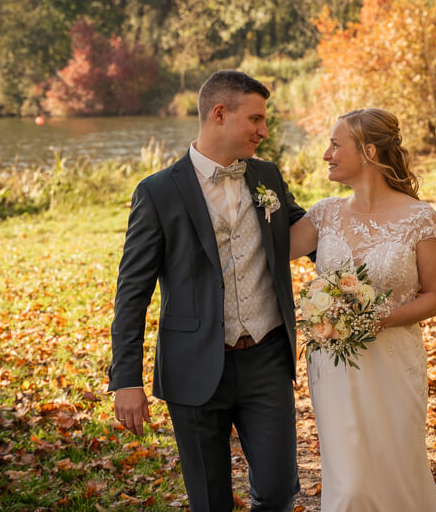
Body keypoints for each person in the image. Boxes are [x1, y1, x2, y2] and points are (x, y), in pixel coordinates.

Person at [108, 70, 307, 512]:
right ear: (219, 114)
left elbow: (305, 232)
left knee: (278, 492)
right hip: (192, 365)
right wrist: (126, 379)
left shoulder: (267, 176)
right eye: (255, 119)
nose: (264, 130)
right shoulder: (157, 192)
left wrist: (365, 216)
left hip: (267, 359)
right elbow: (132, 293)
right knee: (209, 501)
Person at [290, 108, 436, 511]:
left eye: (335, 145)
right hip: (334, 366)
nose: (326, 154)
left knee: (397, 470)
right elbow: (267, 249)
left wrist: (380, 319)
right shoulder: (324, 214)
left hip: (394, 363)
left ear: (369, 152)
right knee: (350, 483)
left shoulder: (420, 218)